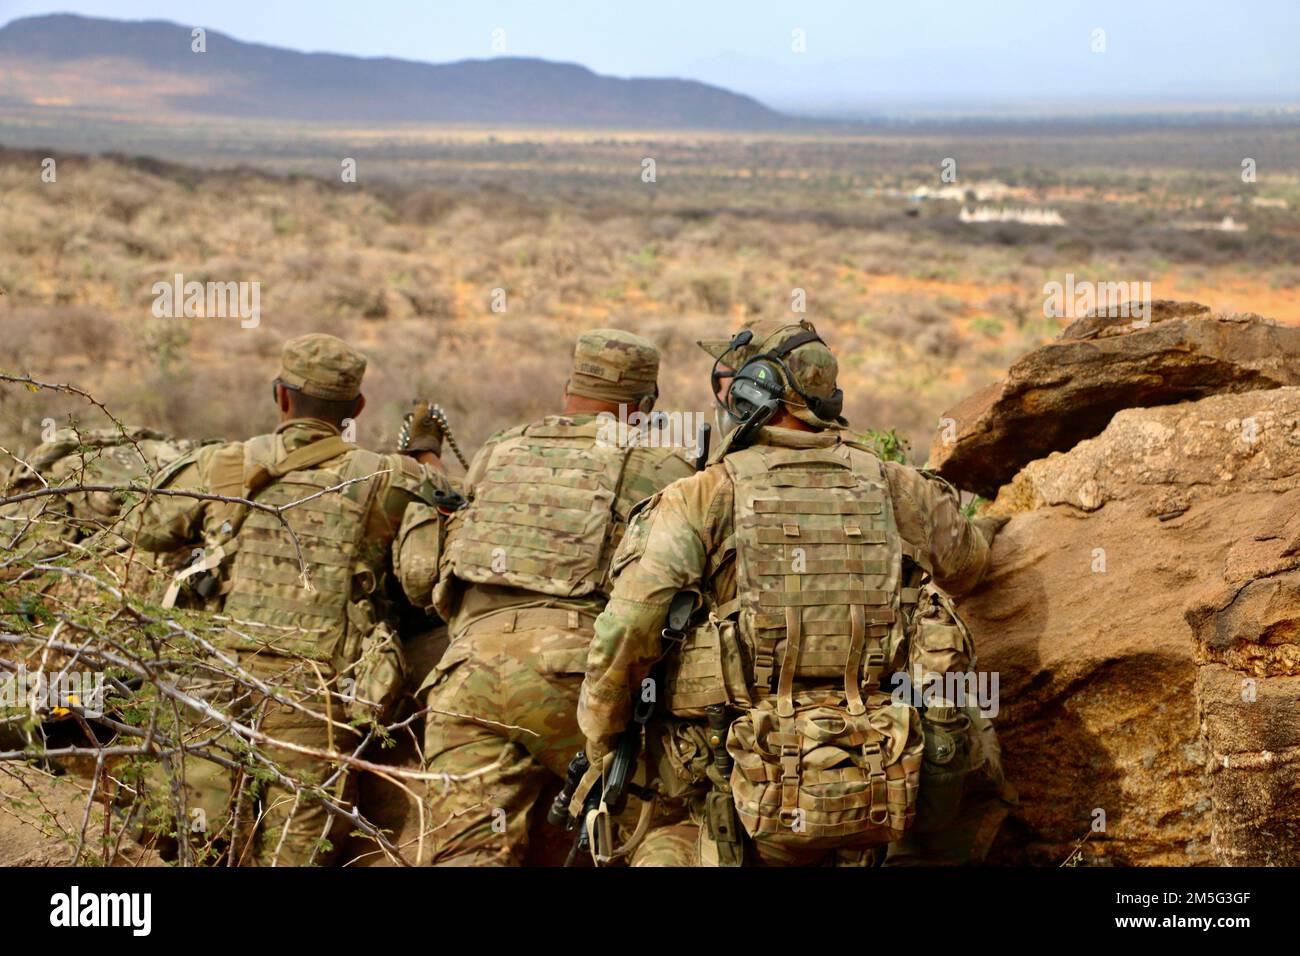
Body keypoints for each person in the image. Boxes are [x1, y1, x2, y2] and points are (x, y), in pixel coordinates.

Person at [575, 317, 1012, 866]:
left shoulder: (701, 496)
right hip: (886, 774)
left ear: (757, 392)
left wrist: (602, 734)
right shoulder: (897, 485)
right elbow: (968, 566)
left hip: (740, 782)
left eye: (731, 384)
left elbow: (628, 630)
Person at [129, 332, 454, 865]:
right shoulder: (388, 477)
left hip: (210, 680)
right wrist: (426, 457)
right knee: (298, 852)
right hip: (314, 691)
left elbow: (147, 526)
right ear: (357, 408)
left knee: (192, 840)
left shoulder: (222, 465)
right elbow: (438, 541)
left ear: (280, 396)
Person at [402, 328, 694, 865]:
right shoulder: (665, 466)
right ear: (647, 407)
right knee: (676, 823)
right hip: (570, 674)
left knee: (462, 849)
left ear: (568, 389)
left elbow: (431, 569)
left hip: (464, 675)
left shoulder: (499, 448)